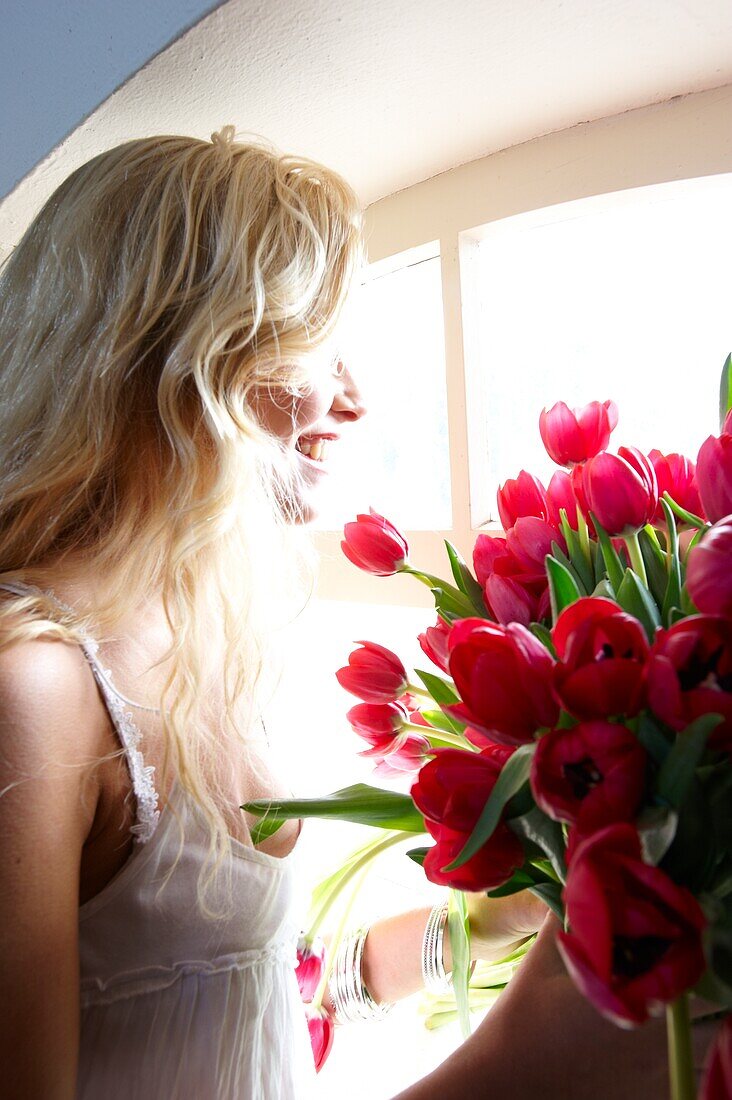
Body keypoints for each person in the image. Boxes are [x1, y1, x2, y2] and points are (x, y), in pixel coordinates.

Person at [0, 128, 547, 1100]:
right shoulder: (33, 684)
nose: (356, 396)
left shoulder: (206, 631)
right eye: (316, 346)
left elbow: (261, 990)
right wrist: (545, 1053)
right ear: (176, 360)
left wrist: (526, 909)